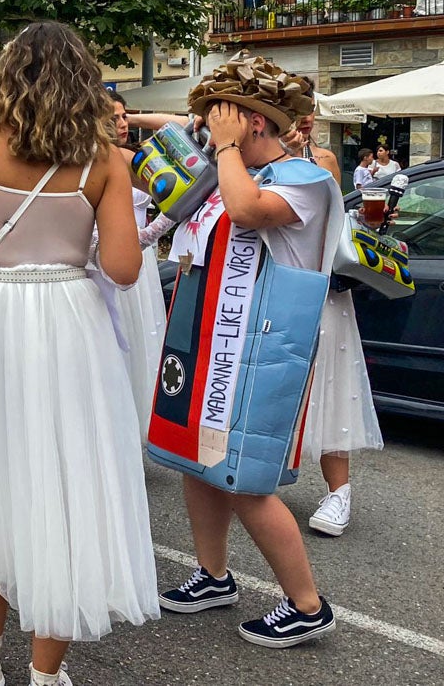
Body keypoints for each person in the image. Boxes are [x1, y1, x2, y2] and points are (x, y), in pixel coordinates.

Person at [0, 23, 154, 686]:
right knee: (64, 484)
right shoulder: (104, 158)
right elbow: (121, 266)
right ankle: (46, 672)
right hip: (70, 318)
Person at [158, 52, 338, 648]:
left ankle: (308, 605)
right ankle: (213, 575)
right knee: (197, 461)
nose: (211, 128)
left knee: (245, 479)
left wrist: (228, 152)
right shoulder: (225, 170)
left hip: (261, 346)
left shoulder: (305, 179)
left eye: (219, 117)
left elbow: (245, 213)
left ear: (252, 122)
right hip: (207, 337)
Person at [284, 110, 383, 537]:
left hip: (325, 288)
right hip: (277, 285)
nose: (304, 118)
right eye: (294, 110)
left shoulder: (323, 160)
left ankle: (338, 492)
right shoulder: (250, 163)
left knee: (331, 386)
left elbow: (329, 217)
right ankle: (250, 478)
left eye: (308, 109)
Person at [107, 91, 167, 435]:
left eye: (124, 116)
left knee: (142, 344)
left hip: (140, 261)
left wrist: (138, 118)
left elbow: (186, 130)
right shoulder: (101, 160)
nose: (122, 123)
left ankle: (132, 429)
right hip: (111, 257)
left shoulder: (134, 156)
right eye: (113, 118)